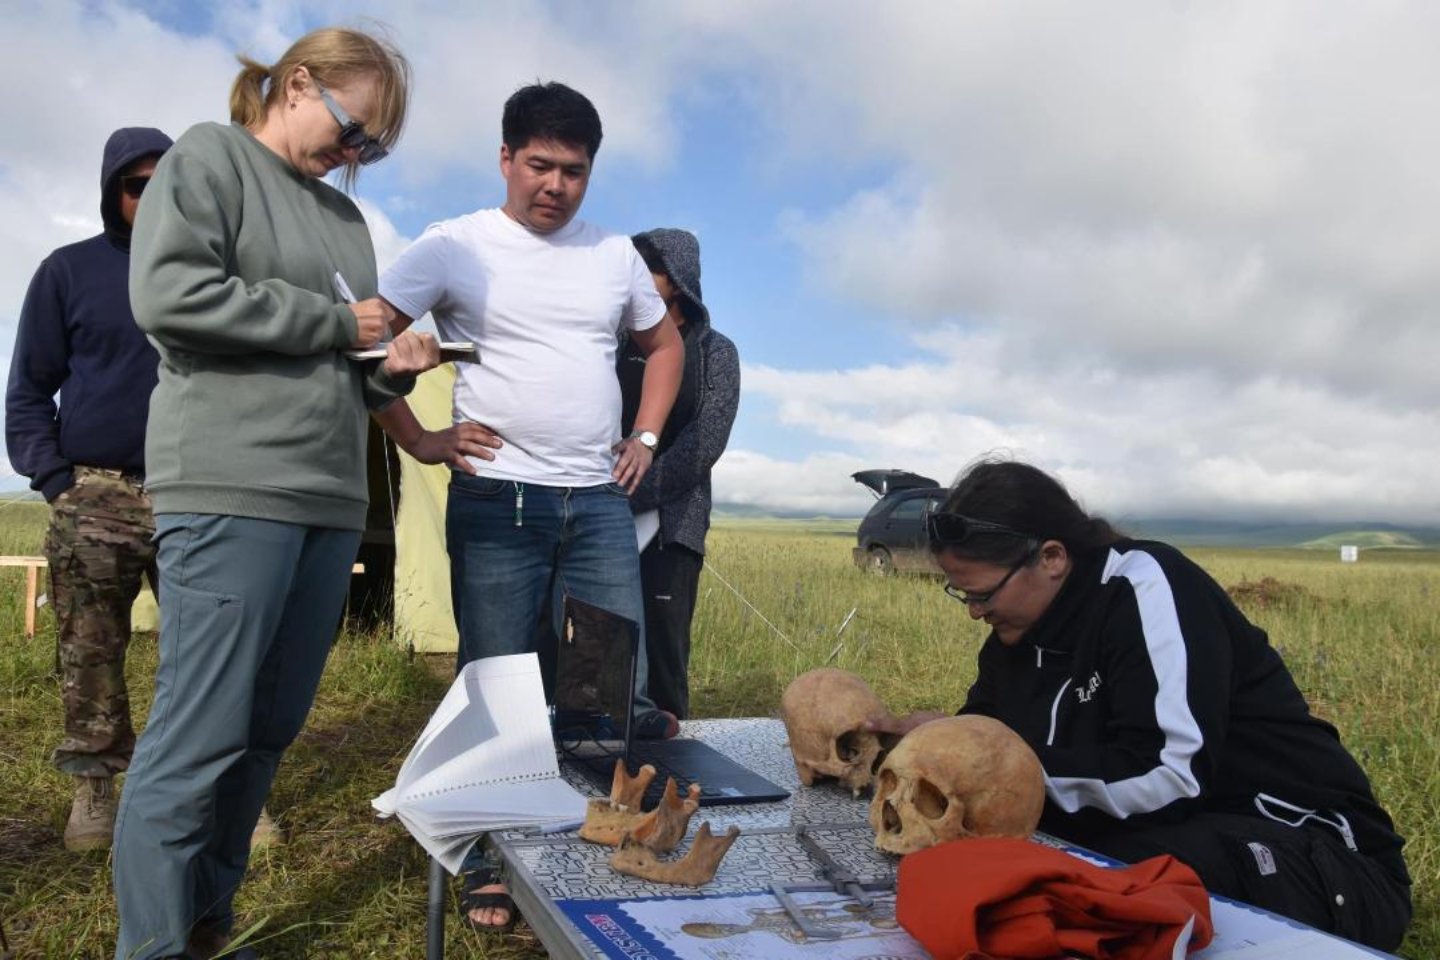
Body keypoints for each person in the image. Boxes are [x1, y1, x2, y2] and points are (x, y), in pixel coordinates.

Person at [110, 27, 438, 960]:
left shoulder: (345, 223)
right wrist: (336, 322)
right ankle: (154, 947)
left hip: (328, 503)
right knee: (197, 737)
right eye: (353, 131)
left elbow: (359, 369)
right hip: (231, 488)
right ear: (298, 84)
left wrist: (401, 362)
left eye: (371, 150)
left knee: (265, 734)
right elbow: (170, 297)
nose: (355, 158)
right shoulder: (208, 159)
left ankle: (203, 930)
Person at [873, 459, 1411, 951]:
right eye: (961, 595)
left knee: (1079, 897)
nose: (973, 613)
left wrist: (999, 778)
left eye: (983, 595)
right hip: (1171, 839)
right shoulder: (1014, 637)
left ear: (1052, 557)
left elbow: (1172, 775)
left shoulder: (1143, 587)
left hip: (1318, 858)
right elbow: (985, 740)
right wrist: (930, 747)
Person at [373, 80, 684, 932]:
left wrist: (647, 439)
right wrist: (417, 437)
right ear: (505, 158)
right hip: (498, 503)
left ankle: (597, 835)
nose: (555, 184)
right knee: (498, 680)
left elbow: (664, 344)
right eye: (539, 165)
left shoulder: (614, 255)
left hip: (596, 502)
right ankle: (489, 856)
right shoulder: (452, 247)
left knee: (606, 679)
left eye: (574, 171)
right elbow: (365, 342)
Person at [5, 126, 172, 852]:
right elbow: (28, 388)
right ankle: (96, 788)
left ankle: (218, 790)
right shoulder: (67, 271)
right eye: (137, 185)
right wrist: (56, 481)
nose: (152, 196)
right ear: (114, 193)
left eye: (168, 182)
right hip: (96, 492)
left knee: (210, 650)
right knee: (91, 647)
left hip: (195, 485)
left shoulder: (214, 273)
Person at [619, 228, 740, 719]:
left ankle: (670, 771)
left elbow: (706, 440)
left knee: (665, 649)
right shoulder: (614, 340)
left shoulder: (715, 351)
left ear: (679, 277)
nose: (639, 277)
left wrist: (636, 490)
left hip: (673, 521)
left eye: (651, 267)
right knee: (601, 640)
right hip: (601, 513)